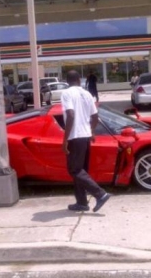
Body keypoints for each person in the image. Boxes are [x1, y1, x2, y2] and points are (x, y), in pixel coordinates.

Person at [61, 70, 111, 213]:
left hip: (75, 137)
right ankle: (82, 203)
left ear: (67, 81)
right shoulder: (87, 93)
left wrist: (65, 140)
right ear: (79, 80)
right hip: (85, 136)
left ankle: (100, 194)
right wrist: (91, 130)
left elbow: (70, 115)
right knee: (81, 171)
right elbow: (95, 116)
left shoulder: (67, 93)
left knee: (74, 170)